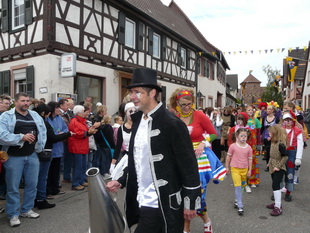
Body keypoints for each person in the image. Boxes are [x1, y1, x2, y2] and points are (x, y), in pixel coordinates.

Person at [107, 68, 201, 233]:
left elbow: (189, 167)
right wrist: (121, 180)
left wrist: (191, 202)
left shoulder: (172, 124)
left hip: (160, 201)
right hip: (141, 198)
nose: (131, 96)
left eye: (137, 92)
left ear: (152, 93)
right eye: (131, 92)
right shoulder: (137, 121)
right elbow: (138, 160)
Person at [169, 87, 225, 233]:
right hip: (180, 158)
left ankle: (187, 229)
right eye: (183, 104)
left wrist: (203, 143)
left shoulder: (199, 115)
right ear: (177, 103)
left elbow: (213, 133)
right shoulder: (174, 117)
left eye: (189, 104)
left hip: (199, 159)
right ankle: (206, 221)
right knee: (182, 193)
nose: (186, 107)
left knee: (197, 193)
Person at [0, 92, 47, 227]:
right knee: (13, 187)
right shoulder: (6, 116)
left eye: (27, 101)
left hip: (32, 154)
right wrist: (21, 137)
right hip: (14, 156)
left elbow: (42, 131)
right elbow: (1, 135)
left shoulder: (35, 115)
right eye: (22, 101)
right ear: (15, 102)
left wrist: (39, 147)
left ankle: (26, 209)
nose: (26, 103)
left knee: (32, 184)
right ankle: (13, 214)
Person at [33, 103, 71, 209]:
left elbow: (63, 129)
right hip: (45, 151)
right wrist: (67, 134)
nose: (59, 109)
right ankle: (41, 197)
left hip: (53, 149)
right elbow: (52, 137)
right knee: (43, 176)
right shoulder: (44, 121)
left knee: (53, 171)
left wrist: (64, 133)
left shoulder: (56, 119)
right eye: (57, 108)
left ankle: (52, 190)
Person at [68, 105, 99, 191]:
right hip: (77, 146)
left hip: (82, 145)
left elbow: (84, 132)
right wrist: (88, 132)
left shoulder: (82, 121)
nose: (85, 113)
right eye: (83, 111)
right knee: (78, 166)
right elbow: (76, 133)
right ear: (78, 113)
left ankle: (81, 180)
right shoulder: (74, 121)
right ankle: (76, 183)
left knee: (83, 165)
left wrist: (91, 130)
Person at [225, 128, 252, 215]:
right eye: (241, 136)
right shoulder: (233, 146)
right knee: (238, 186)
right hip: (235, 168)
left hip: (244, 169)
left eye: (245, 136)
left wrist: (250, 170)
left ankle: (237, 200)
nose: (243, 137)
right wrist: (227, 167)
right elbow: (228, 157)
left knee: (242, 186)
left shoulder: (249, 148)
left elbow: (250, 159)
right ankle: (240, 206)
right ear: (237, 136)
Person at [46, 102, 68, 198]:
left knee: (56, 170)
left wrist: (62, 134)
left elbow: (66, 129)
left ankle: (55, 188)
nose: (59, 110)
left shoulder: (60, 118)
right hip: (50, 148)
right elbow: (50, 134)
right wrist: (57, 135)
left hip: (59, 148)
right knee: (48, 172)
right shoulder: (47, 119)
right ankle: (48, 191)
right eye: (57, 108)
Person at [266, 125, 288, 216]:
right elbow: (272, 154)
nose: (268, 133)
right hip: (272, 165)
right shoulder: (272, 142)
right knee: (274, 184)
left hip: (279, 167)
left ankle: (278, 207)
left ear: (275, 134)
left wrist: (278, 166)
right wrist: (269, 163)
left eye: (270, 132)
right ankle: (276, 203)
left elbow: (285, 156)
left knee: (276, 185)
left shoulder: (280, 144)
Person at [281, 111, 303, 202]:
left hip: (291, 152)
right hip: (281, 152)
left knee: (290, 171)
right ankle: (277, 191)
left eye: (290, 120)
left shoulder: (297, 130)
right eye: (286, 120)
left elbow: (300, 144)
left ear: (293, 121)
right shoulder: (280, 129)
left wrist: (298, 157)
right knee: (280, 171)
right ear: (283, 121)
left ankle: (288, 192)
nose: (288, 122)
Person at [110, 102, 136, 176]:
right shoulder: (121, 129)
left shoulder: (140, 127)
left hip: (139, 158)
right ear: (125, 112)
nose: (132, 113)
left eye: (135, 111)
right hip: (127, 158)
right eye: (130, 111)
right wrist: (113, 163)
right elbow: (118, 146)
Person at [245, 105, 261, 188]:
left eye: (251, 110)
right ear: (246, 111)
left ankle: (253, 180)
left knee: (253, 162)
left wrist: (259, 144)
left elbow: (258, 133)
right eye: (248, 110)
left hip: (253, 145)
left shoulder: (256, 120)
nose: (250, 111)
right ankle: (244, 180)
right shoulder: (244, 120)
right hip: (244, 144)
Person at [261, 103, 280, 171]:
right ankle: (268, 165)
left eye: (269, 109)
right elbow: (262, 127)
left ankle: (273, 164)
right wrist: (260, 135)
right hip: (266, 137)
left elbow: (278, 128)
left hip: (274, 137)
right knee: (267, 151)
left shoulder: (276, 119)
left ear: (272, 110)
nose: (267, 110)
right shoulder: (264, 118)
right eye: (267, 109)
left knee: (273, 151)